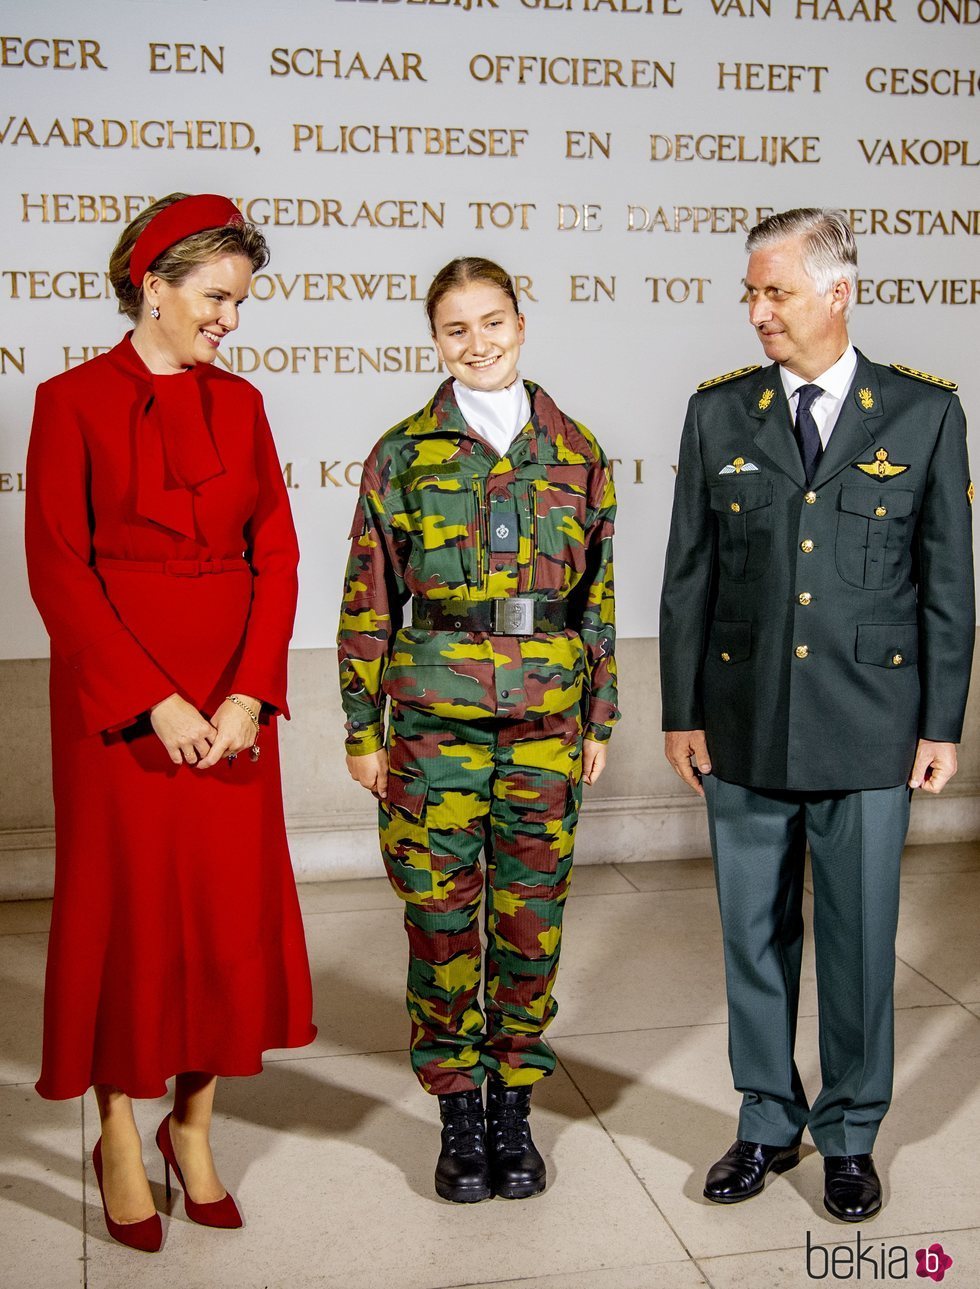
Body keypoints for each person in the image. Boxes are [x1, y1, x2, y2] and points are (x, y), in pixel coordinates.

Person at [660, 208, 974, 1222]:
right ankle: (763, 1120)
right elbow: (688, 576)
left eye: (774, 292)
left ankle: (846, 1133)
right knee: (751, 936)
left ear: (835, 293)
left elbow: (944, 586)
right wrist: (680, 710)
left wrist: (939, 723)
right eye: (750, 293)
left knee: (853, 938)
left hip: (869, 724)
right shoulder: (718, 414)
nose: (755, 312)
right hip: (742, 720)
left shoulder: (922, 415)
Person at [25, 192, 316, 1252]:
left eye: (238, 301)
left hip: (232, 703)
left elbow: (275, 555)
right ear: (154, 285)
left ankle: (192, 1122)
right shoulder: (66, 402)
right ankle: (111, 1125)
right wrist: (154, 700)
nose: (230, 320)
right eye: (215, 298)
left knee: (223, 917)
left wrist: (246, 692)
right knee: (129, 916)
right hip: (121, 707)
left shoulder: (241, 407)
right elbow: (58, 571)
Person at [338, 256, 618, 1202]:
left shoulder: (577, 451)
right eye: (456, 329)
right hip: (429, 724)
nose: (478, 343)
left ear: (521, 322)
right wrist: (359, 726)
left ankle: (514, 1103)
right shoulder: (402, 453)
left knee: (531, 921)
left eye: (492, 322)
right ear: (434, 340)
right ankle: (459, 1104)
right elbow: (369, 597)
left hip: (546, 720)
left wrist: (601, 713)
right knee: (442, 916)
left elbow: (598, 598)